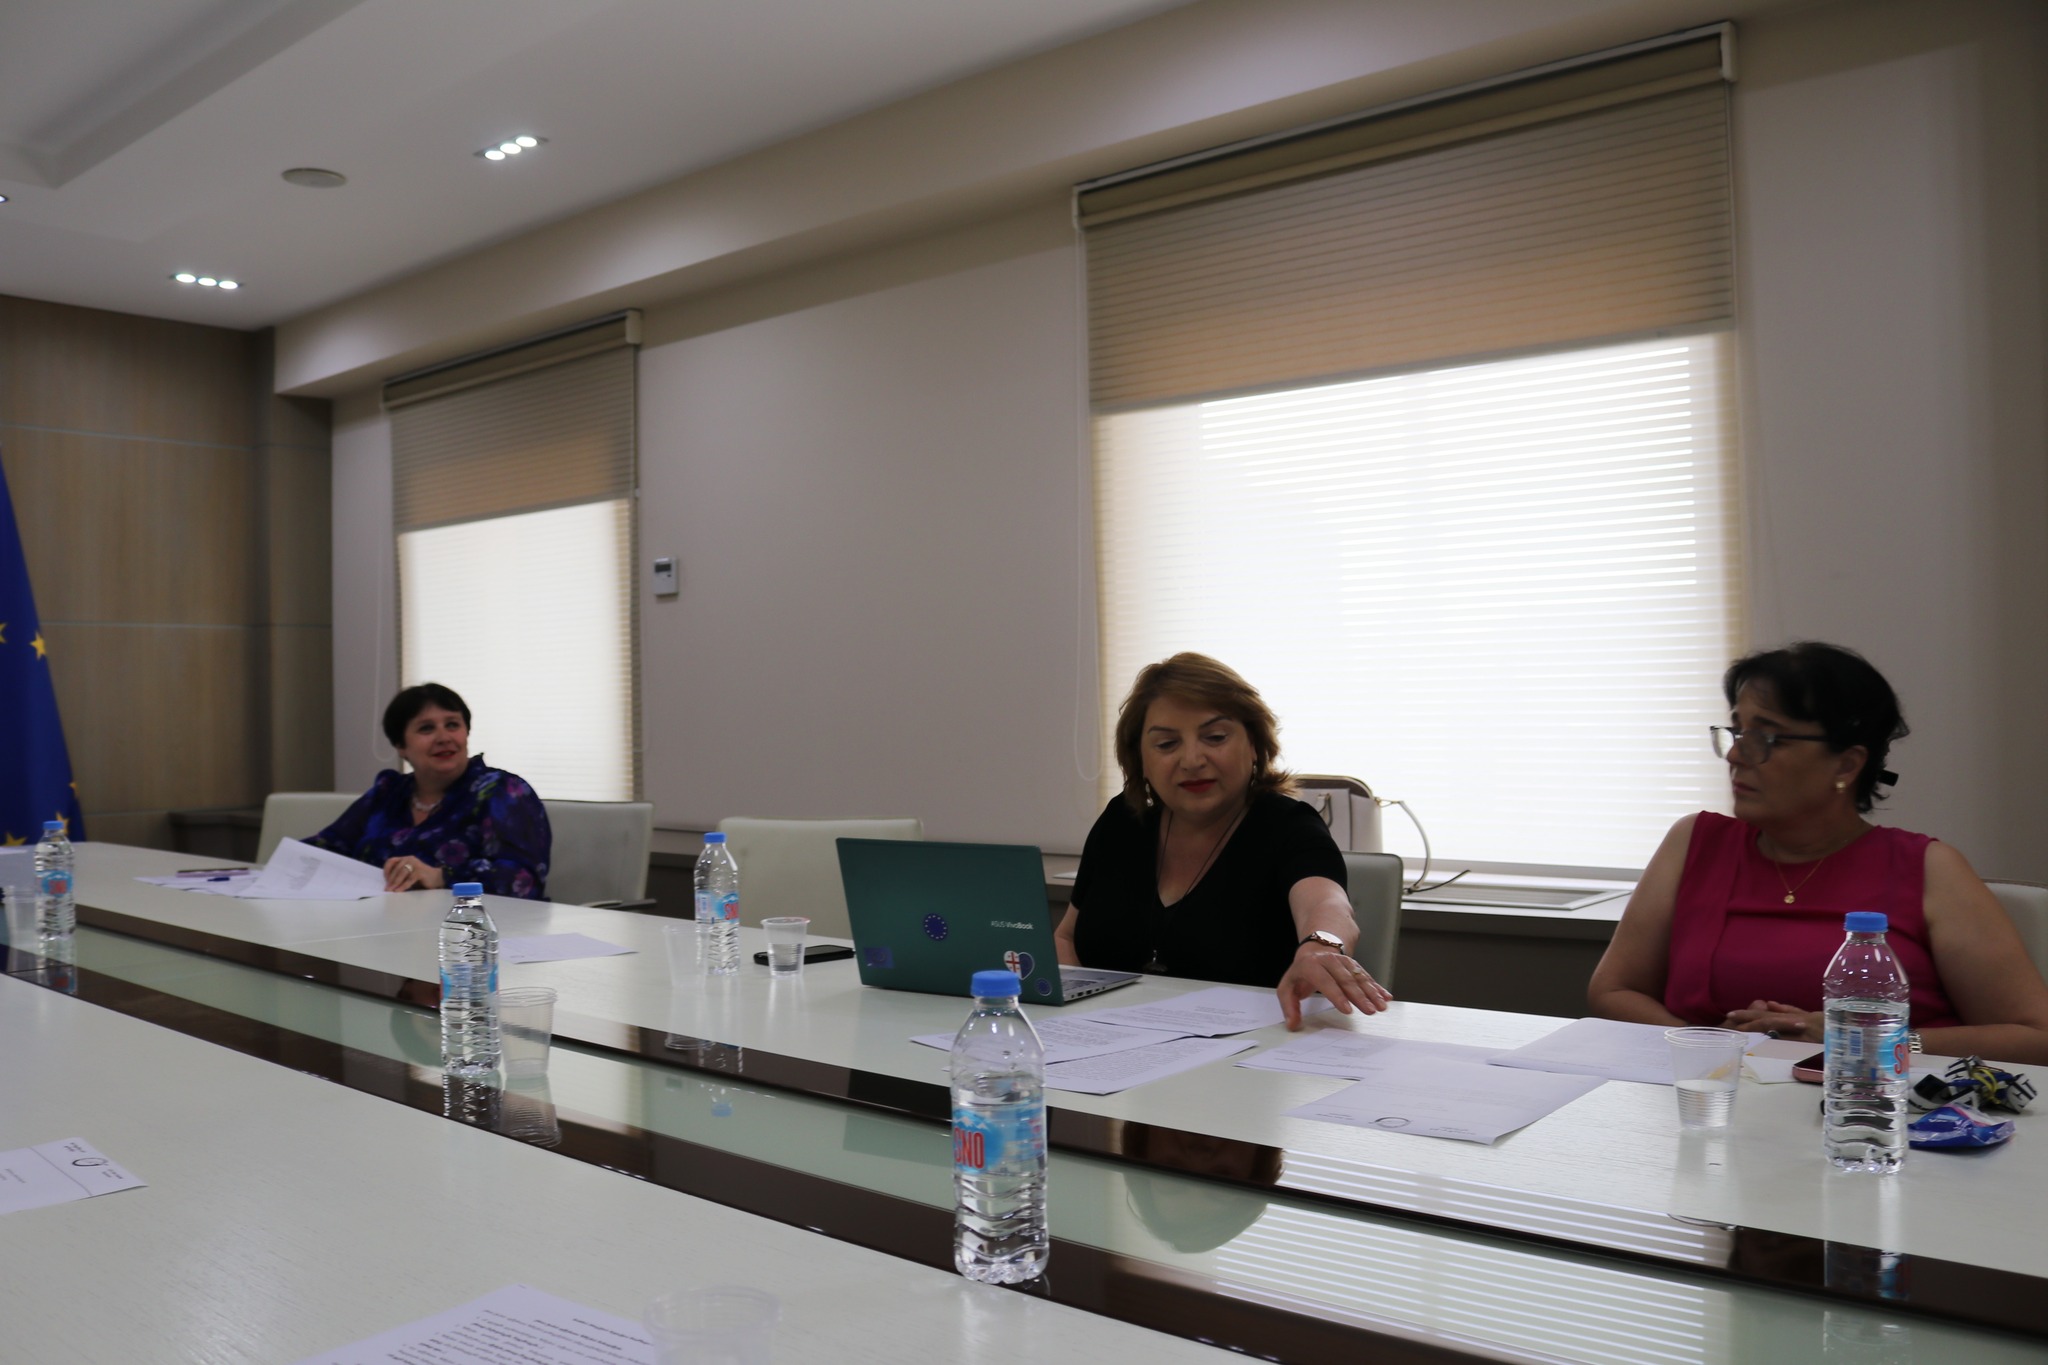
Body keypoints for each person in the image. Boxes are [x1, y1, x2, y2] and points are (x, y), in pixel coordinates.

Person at [1588, 642, 2048, 1063]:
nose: (1735, 756)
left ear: (1846, 764)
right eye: (1736, 732)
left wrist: (1867, 1039)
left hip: (1873, 1108)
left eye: (1767, 738)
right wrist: (1711, 1050)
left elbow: (2035, 1036)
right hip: (1710, 1099)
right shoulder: (1695, 842)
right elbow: (1614, 990)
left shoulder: (1928, 868)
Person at [1055, 652, 1391, 1030]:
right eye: (1166, 744)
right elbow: (1066, 937)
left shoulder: (1288, 825)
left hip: (1252, 1050)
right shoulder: (1123, 821)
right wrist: (1076, 1022)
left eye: (1215, 737)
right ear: (1141, 759)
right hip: (1108, 1044)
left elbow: (1327, 904)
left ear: (1254, 744)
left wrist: (1320, 946)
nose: (1192, 759)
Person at [305, 683, 553, 899]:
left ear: (466, 733)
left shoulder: (504, 792)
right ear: (401, 746)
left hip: (473, 931)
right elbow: (324, 849)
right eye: (426, 728)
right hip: (379, 926)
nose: (444, 737)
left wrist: (441, 877)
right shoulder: (388, 793)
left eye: (452, 725)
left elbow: (523, 880)